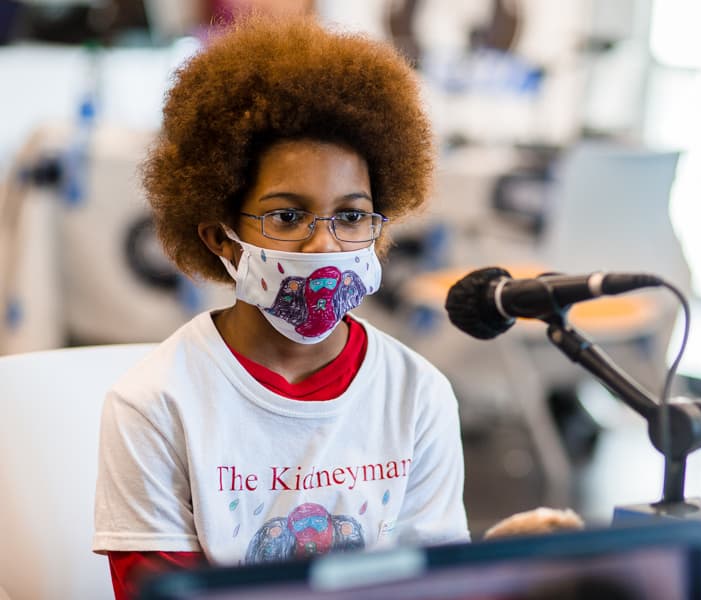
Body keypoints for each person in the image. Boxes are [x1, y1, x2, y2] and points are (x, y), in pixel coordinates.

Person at [91, 15, 470, 599]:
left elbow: (440, 585)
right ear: (220, 237)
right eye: (287, 216)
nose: (324, 246)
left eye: (350, 216)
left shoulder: (417, 395)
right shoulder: (156, 405)